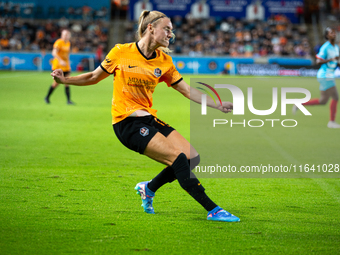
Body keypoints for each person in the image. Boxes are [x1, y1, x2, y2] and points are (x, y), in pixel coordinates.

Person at [51, 11, 239, 222]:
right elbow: (94, 77)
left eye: (172, 30)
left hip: (148, 118)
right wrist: (64, 81)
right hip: (126, 123)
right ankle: (213, 209)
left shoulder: (164, 61)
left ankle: (149, 188)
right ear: (151, 28)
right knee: (177, 159)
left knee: (192, 158)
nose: (171, 33)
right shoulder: (121, 52)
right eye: (166, 29)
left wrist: (216, 104)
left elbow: (187, 90)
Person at [293, 27, 340, 128]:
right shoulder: (325, 47)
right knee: (336, 97)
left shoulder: (336, 47)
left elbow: (337, 61)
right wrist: (332, 59)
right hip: (325, 75)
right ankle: (331, 122)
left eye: (334, 32)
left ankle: (299, 104)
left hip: (329, 74)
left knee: (323, 101)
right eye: (331, 33)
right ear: (327, 36)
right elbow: (318, 61)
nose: (334, 34)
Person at [45, 29, 74, 105]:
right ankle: (47, 97)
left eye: (67, 35)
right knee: (56, 83)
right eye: (64, 35)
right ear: (62, 35)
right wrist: (60, 60)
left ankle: (68, 100)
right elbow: (54, 52)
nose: (65, 36)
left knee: (67, 81)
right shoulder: (59, 42)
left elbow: (67, 55)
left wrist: (69, 65)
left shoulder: (68, 43)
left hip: (65, 66)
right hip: (58, 65)